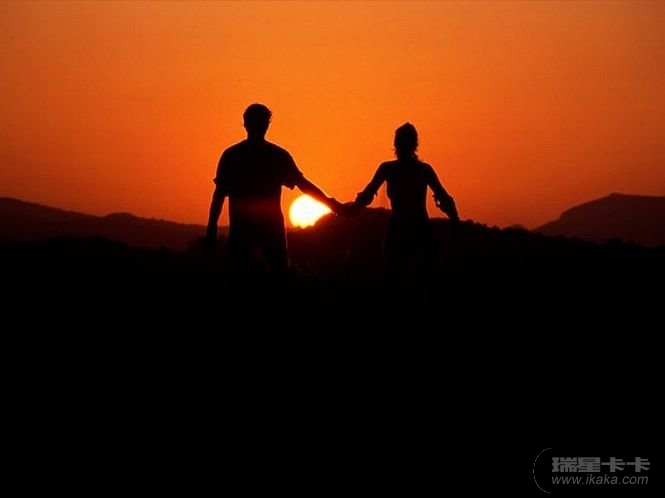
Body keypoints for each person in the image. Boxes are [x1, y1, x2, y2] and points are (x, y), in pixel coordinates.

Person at [206, 103, 343, 279]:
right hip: (267, 227)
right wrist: (332, 204)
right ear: (267, 124)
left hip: (245, 228)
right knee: (279, 276)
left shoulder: (232, 155)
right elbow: (303, 185)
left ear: (245, 123)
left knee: (240, 277)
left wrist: (211, 229)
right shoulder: (277, 155)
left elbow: (219, 196)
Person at [348, 122, 460, 280]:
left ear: (395, 144)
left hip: (398, 232)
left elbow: (366, 196)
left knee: (396, 281)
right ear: (415, 144)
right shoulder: (424, 170)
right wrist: (456, 223)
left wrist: (350, 208)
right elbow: (445, 199)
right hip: (421, 232)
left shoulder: (388, 169)